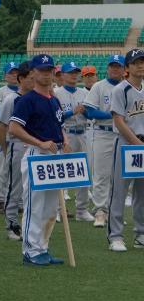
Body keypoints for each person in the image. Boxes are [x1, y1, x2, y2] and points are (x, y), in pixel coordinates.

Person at [5, 54, 67, 266]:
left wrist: (63, 142)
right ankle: (31, 250)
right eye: (41, 70)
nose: (46, 74)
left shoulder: (54, 99)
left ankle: (42, 248)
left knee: (51, 207)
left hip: (54, 155)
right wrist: (39, 143)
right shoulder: (27, 99)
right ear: (32, 73)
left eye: (49, 70)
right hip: (36, 154)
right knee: (35, 203)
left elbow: (58, 126)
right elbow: (13, 128)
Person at [107, 49, 144, 252]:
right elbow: (118, 120)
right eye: (136, 62)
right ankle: (116, 236)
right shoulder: (120, 90)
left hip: (143, 144)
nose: (141, 65)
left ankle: (141, 233)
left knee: (143, 192)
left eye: (143, 62)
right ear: (127, 67)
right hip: (125, 143)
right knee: (119, 191)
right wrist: (137, 143)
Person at [86, 54, 126, 227]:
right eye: (112, 66)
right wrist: (112, 114)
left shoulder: (129, 87)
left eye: (118, 66)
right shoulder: (99, 86)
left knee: (118, 177)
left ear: (125, 69)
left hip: (123, 135)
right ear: (108, 68)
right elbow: (89, 111)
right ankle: (100, 211)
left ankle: (114, 212)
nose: (115, 69)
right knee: (101, 174)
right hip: (103, 133)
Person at [0, 62, 34, 240]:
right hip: (17, 144)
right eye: (31, 77)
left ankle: (30, 223)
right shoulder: (12, 99)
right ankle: (11, 224)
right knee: (15, 186)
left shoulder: (38, 97)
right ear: (21, 79)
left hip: (35, 146)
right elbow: (1, 128)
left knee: (33, 188)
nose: (34, 80)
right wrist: (6, 150)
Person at [54, 62, 94, 223]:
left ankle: (82, 210)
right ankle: (57, 209)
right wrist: (72, 111)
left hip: (83, 133)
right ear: (62, 75)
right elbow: (55, 118)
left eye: (76, 72)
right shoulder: (56, 93)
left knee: (83, 173)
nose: (73, 75)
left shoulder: (85, 93)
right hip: (65, 135)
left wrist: (87, 112)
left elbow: (91, 115)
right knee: (61, 173)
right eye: (70, 72)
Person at [0, 62, 21, 211]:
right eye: (11, 72)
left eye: (16, 72)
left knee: (20, 170)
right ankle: (0, 199)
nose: (14, 75)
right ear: (5, 75)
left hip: (22, 136)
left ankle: (18, 200)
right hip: (6, 134)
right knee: (3, 169)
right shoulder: (0, 92)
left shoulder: (27, 92)